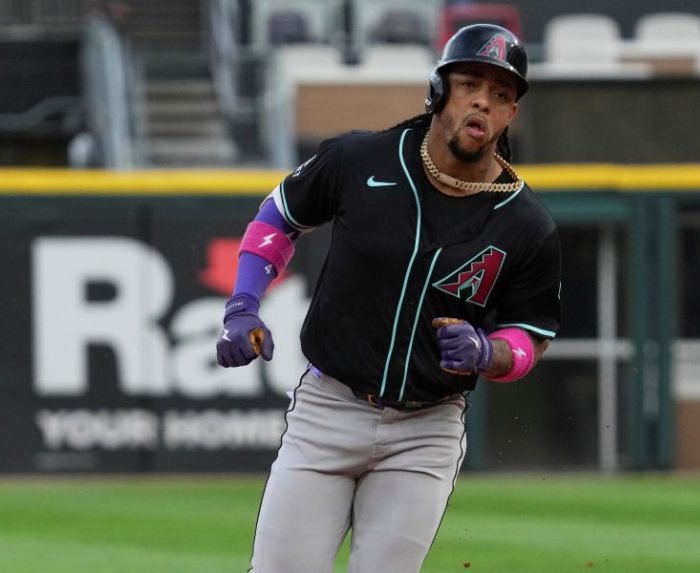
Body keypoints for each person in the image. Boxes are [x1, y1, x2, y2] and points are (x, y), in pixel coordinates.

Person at [216, 23, 562, 573]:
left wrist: (489, 352)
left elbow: (531, 333)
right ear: (439, 89)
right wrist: (242, 305)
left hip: (426, 430)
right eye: (470, 83)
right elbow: (279, 217)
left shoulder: (526, 222)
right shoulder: (363, 160)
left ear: (511, 114)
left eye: (501, 94)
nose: (483, 101)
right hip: (329, 409)